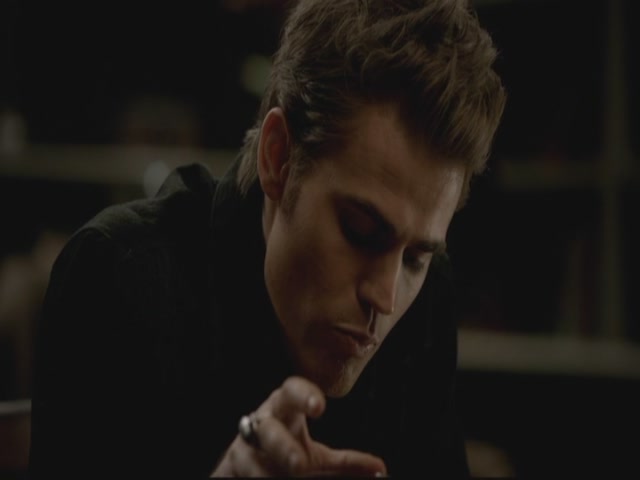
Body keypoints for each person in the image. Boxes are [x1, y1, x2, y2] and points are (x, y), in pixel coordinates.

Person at [28, 0, 506, 477]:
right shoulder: (117, 278)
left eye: (416, 258)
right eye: (360, 232)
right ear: (278, 158)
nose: (385, 297)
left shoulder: (427, 303)